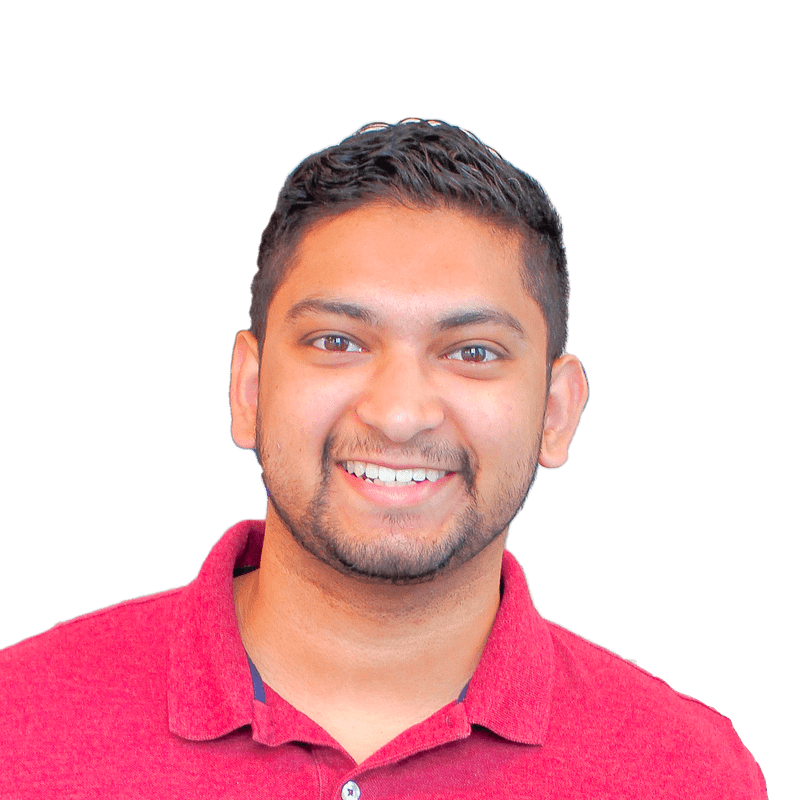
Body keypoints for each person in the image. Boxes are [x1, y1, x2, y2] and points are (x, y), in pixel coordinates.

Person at [0, 118, 766, 798]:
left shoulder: (691, 776)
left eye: (472, 351)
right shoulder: (16, 729)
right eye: (338, 341)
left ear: (556, 413)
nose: (399, 414)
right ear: (249, 389)